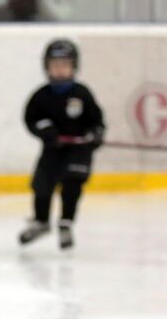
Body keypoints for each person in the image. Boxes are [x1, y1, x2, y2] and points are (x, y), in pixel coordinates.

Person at [20, 38, 104, 251]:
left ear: (74, 66)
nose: (60, 69)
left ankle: (66, 222)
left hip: (79, 151)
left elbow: (97, 120)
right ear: (46, 67)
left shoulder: (82, 94)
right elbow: (30, 119)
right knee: (41, 184)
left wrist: (96, 134)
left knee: (72, 184)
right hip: (52, 150)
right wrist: (45, 130)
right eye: (55, 65)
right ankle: (41, 221)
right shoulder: (41, 96)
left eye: (65, 64)